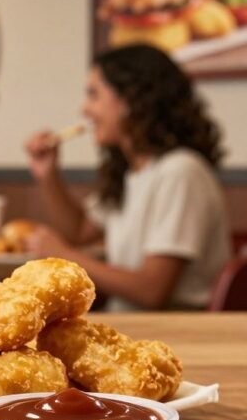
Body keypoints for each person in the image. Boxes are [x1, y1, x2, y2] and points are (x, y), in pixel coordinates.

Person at [24, 44, 230, 311]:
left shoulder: (181, 172)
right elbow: (79, 232)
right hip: (129, 324)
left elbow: (152, 291)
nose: (84, 109)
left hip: (169, 330)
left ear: (130, 100)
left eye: (94, 95)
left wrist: (64, 256)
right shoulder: (132, 172)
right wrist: (48, 175)